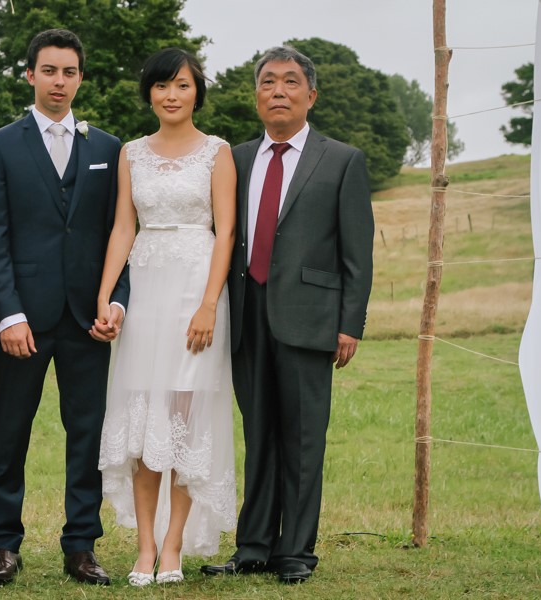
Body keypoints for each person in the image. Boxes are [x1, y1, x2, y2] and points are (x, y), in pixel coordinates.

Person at [201, 45, 374, 584]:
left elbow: (357, 251)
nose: (279, 90)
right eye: (268, 82)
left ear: (311, 95)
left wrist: (350, 323)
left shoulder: (342, 160)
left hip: (310, 317)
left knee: (302, 438)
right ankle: (252, 546)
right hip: (246, 313)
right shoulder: (237, 157)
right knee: (259, 434)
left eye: (291, 81)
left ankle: (295, 551)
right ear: (256, 97)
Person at [0, 28, 129, 587]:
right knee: (10, 431)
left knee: (86, 433)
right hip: (24, 320)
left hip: (88, 319)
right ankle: (3, 545)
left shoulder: (109, 149)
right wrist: (7, 314)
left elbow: (120, 234)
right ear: (30, 75)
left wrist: (117, 302)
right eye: (48, 71)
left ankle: (81, 545)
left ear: (80, 78)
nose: (58, 82)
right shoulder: (0, 144)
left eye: (68, 72)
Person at [96, 48, 237, 587]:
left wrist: (207, 303)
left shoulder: (217, 152)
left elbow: (225, 232)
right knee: (142, 419)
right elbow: (122, 229)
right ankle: (144, 547)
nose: (170, 95)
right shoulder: (132, 153)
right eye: (160, 86)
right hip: (146, 291)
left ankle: (175, 545)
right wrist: (106, 295)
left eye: (181, 85)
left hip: (196, 289)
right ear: (149, 93)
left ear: (196, 90)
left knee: (183, 417)